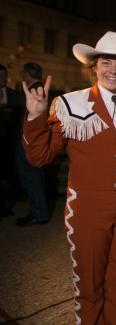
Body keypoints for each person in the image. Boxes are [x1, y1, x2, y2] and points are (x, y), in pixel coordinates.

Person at [21, 31, 116, 324]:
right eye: (106, 63)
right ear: (94, 66)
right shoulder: (71, 104)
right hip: (86, 211)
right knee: (90, 289)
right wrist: (35, 118)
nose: (113, 70)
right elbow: (39, 157)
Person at [15, 62, 49, 226]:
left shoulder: (33, 90)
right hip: (34, 140)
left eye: (23, 72)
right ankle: (39, 212)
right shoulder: (39, 88)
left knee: (30, 176)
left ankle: (38, 213)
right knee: (35, 176)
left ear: (27, 73)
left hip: (28, 141)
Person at [0, 63, 23, 218]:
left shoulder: (15, 95)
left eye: (4, 75)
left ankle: (5, 207)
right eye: (0, 76)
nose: (3, 78)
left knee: (6, 177)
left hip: (9, 144)